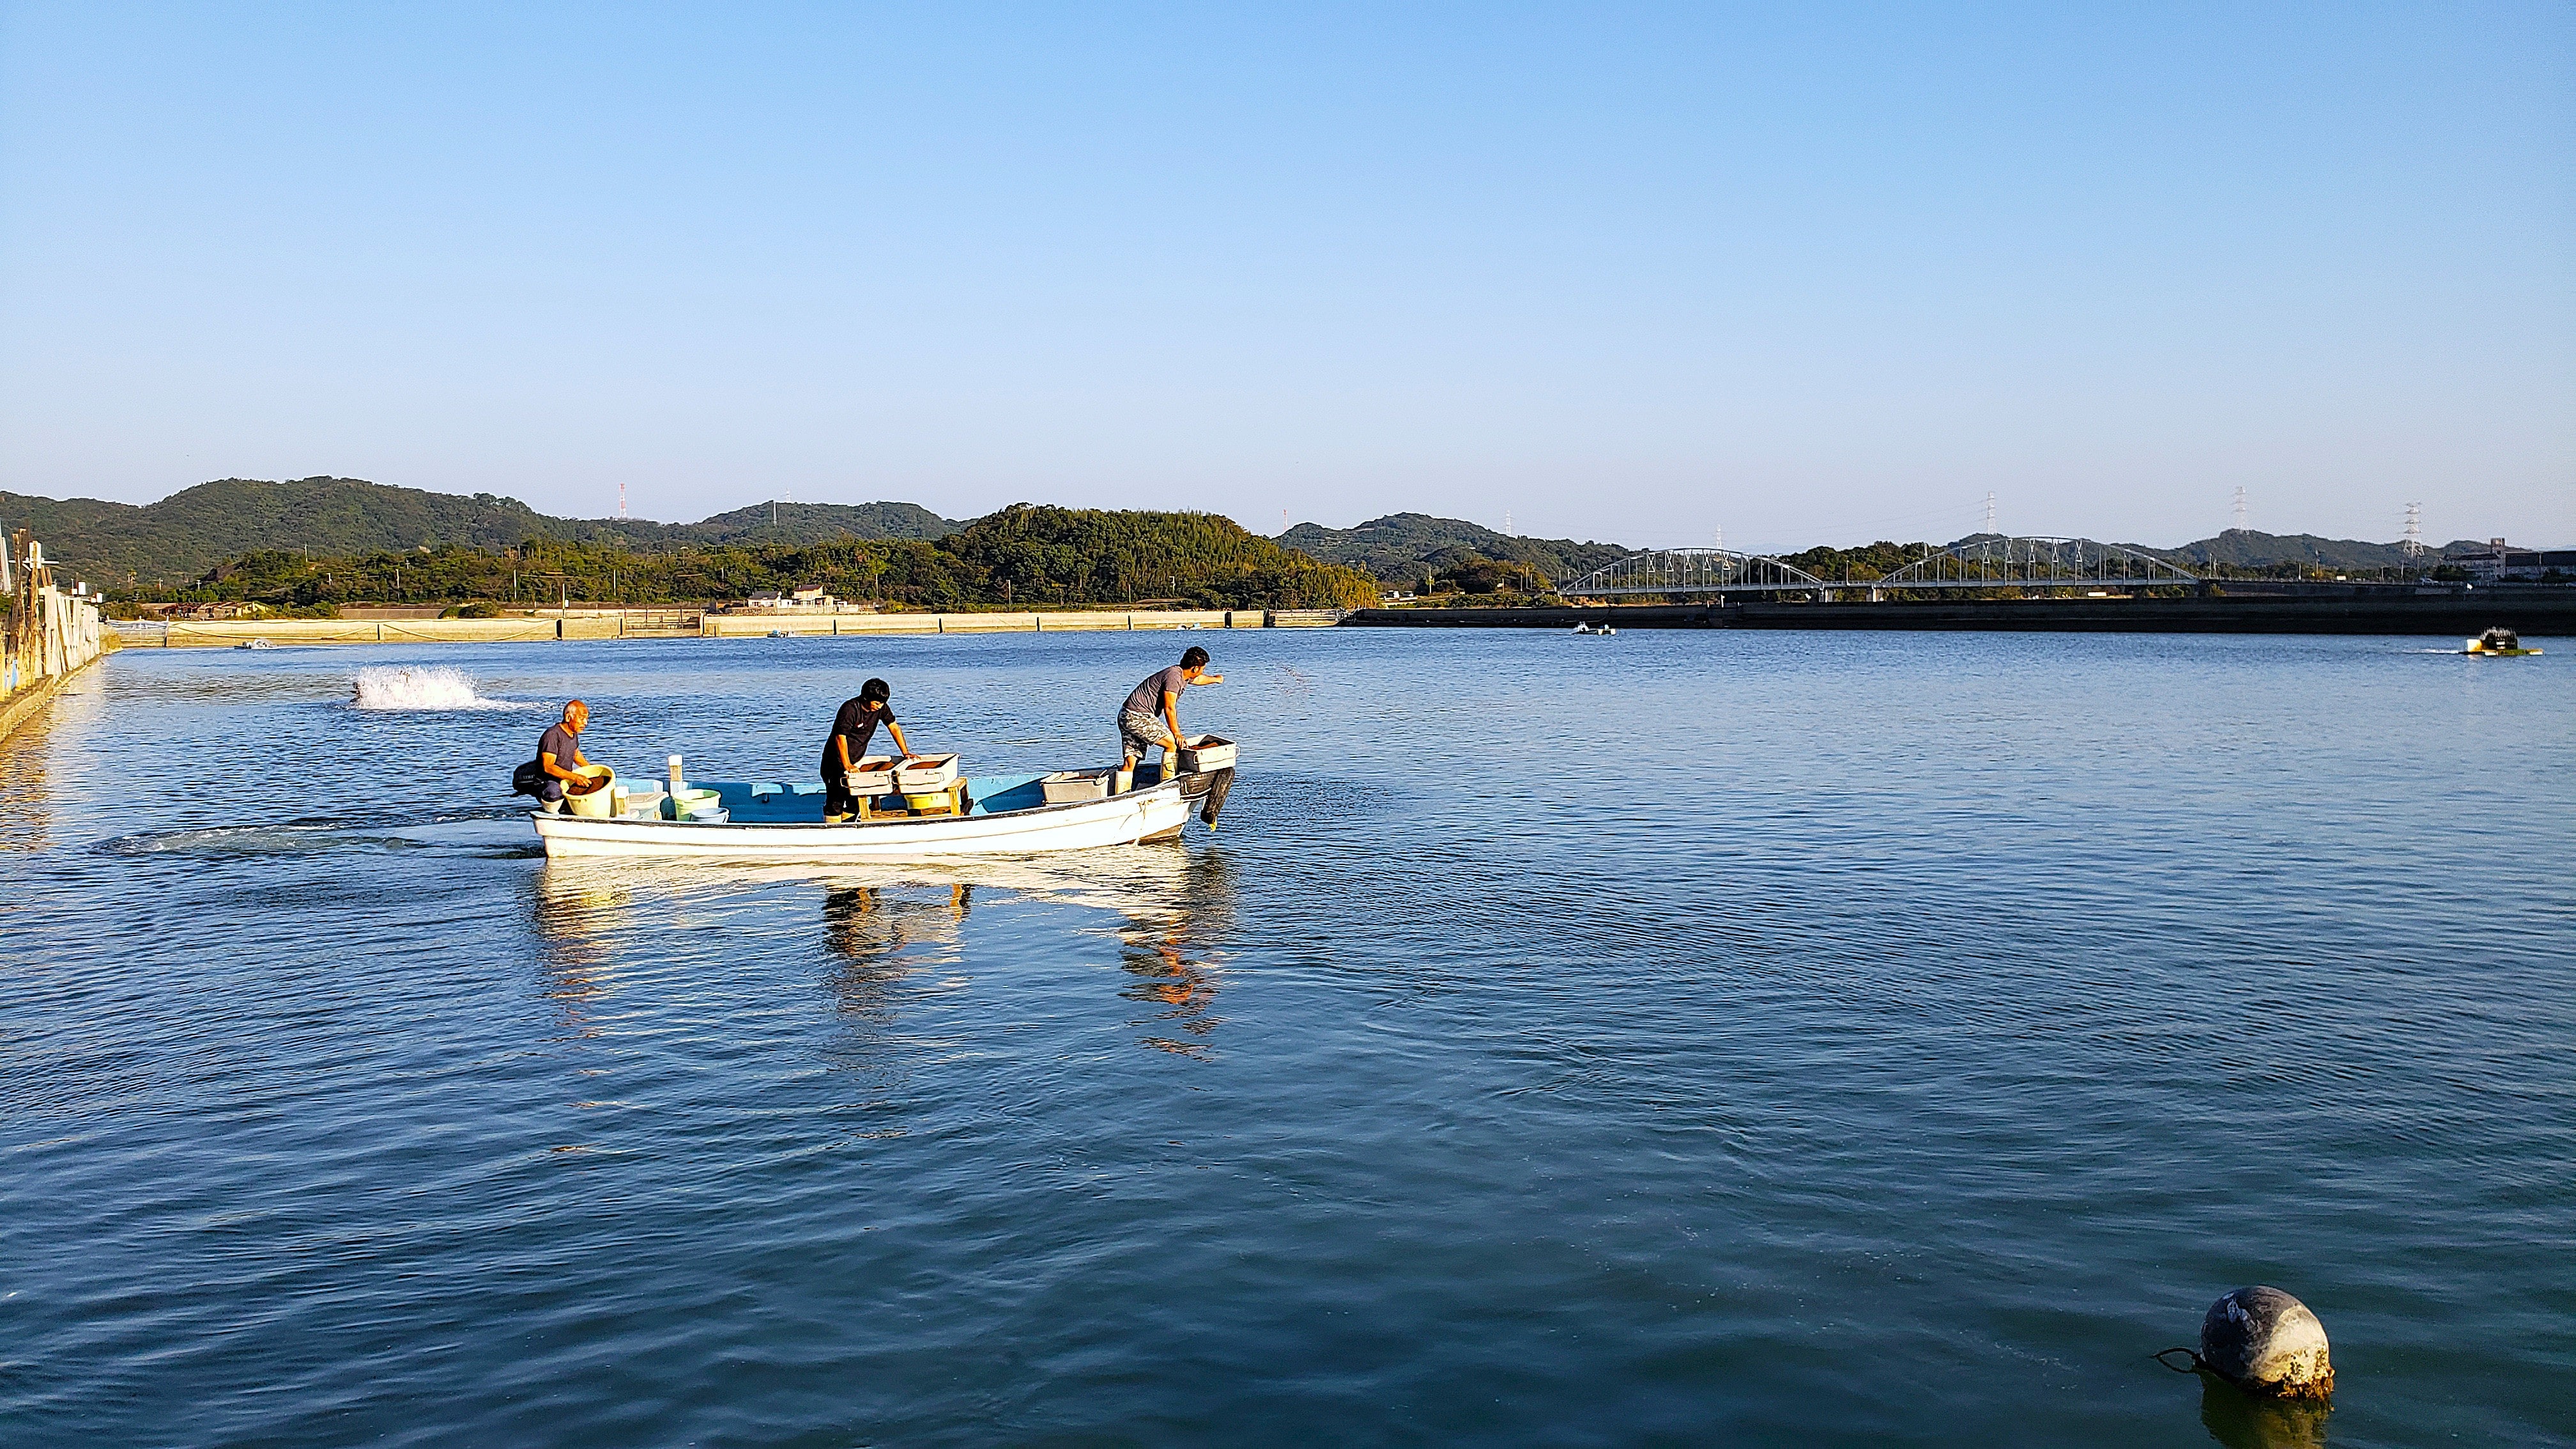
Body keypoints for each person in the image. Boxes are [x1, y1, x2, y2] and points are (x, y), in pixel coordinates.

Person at [1119, 647, 1222, 778]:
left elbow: (1198, 679)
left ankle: (1122, 790)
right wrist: (1177, 734)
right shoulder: (1174, 677)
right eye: (1203, 669)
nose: (1203, 672)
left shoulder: (1182, 674)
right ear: (1195, 668)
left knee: (1131, 761)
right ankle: (1168, 782)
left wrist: (1215, 679)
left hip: (1126, 715)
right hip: (1137, 716)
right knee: (1172, 744)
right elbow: (1169, 708)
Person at [823, 677, 914, 821]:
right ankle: (831, 827)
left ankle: (849, 826)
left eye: (882, 703)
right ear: (866, 698)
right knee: (836, 802)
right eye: (877, 703)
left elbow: (894, 727)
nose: (879, 706)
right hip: (835, 762)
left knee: (856, 802)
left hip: (856, 761)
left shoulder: (882, 708)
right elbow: (840, 738)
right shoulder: (850, 709)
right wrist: (847, 765)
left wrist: (906, 752)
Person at [530, 700, 595, 809]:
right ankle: (553, 811)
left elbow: (575, 753)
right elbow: (548, 767)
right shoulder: (552, 735)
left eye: (586, 719)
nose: (585, 723)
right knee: (554, 792)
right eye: (581, 719)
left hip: (565, 778)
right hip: (547, 782)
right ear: (568, 717)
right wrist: (576, 778)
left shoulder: (573, 734)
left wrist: (591, 770)